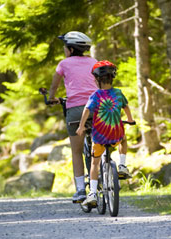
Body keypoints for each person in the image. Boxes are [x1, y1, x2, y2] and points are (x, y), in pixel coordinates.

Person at [76, 60, 135, 206]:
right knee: (124, 139)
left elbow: (87, 110)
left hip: (100, 137)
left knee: (95, 164)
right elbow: (126, 107)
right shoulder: (118, 93)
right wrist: (130, 119)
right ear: (112, 78)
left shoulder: (95, 95)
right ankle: (122, 166)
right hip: (116, 135)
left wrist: (81, 126)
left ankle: (93, 193)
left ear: (96, 80)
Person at [48, 31, 98, 203]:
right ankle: (105, 173)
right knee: (100, 146)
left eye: (65, 47)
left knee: (76, 152)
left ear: (70, 49)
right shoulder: (94, 62)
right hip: (98, 108)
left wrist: (51, 98)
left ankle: (80, 191)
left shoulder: (63, 64)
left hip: (76, 110)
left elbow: (54, 85)